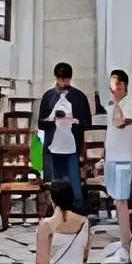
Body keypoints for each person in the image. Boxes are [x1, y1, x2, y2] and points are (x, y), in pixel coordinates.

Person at [36, 62, 93, 211]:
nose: (63, 82)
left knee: (74, 182)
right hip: (52, 146)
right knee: (54, 182)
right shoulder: (49, 96)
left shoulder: (78, 97)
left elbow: (87, 123)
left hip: (71, 146)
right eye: (61, 79)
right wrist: (53, 119)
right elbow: (41, 124)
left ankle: (77, 211)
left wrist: (72, 120)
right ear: (56, 78)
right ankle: (54, 212)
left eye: (66, 79)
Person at [101, 67, 132, 264]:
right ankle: (124, 240)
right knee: (117, 201)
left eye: (115, 84)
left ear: (123, 85)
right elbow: (111, 133)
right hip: (112, 158)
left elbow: (120, 123)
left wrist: (115, 104)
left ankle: (127, 248)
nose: (112, 89)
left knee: (123, 202)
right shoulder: (112, 105)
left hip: (124, 160)